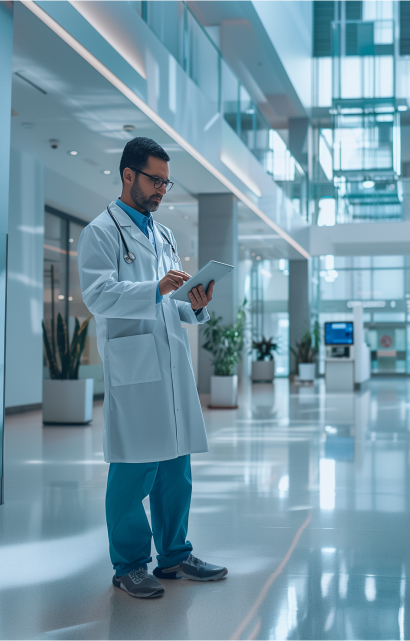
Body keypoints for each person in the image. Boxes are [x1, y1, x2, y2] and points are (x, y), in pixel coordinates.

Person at [78, 137, 227, 599]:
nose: (162, 189)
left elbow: (170, 304)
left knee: (174, 468)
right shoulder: (101, 232)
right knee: (132, 471)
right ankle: (129, 565)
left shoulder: (163, 235)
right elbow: (98, 295)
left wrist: (194, 304)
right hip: (135, 367)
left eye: (166, 181)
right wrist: (156, 288)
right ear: (128, 175)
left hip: (169, 364)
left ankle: (175, 556)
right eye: (155, 179)